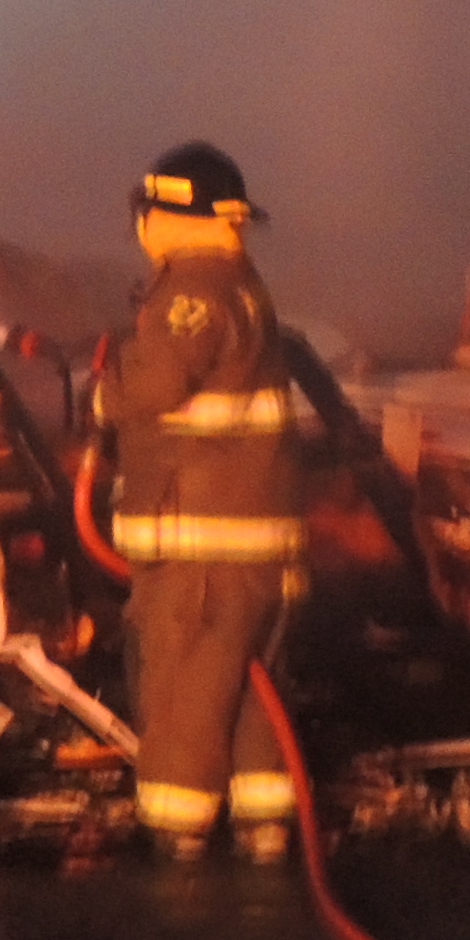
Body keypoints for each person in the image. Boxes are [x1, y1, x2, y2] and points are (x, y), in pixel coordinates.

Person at [103, 142, 312, 862]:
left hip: (203, 553)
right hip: (257, 548)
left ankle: (179, 862)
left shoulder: (193, 291)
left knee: (187, 699)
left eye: (149, 207)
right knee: (253, 702)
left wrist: (106, 387)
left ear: (170, 214)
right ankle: (266, 838)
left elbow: (155, 388)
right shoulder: (242, 283)